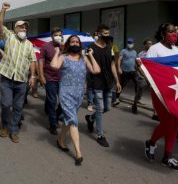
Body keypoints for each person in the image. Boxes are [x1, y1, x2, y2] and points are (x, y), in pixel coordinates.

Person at [51, 35, 100, 166]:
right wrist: (57, 53)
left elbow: (96, 70)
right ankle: (78, 153)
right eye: (72, 41)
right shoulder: (63, 57)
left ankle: (60, 139)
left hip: (78, 95)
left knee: (69, 119)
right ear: (68, 44)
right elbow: (54, 66)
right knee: (73, 120)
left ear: (80, 45)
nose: (75, 43)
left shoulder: (84, 59)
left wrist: (91, 56)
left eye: (77, 42)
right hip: (66, 93)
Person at [144, 23, 178, 171]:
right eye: (170, 31)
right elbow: (148, 71)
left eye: (175, 31)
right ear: (163, 33)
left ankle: (167, 156)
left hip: (177, 92)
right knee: (168, 123)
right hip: (160, 93)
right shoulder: (154, 49)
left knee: (175, 124)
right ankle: (151, 142)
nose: (173, 34)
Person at [0, 2, 37, 143]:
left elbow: (32, 60)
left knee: (19, 107)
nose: (23, 29)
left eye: (25, 27)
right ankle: (5, 126)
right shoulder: (9, 37)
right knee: (6, 104)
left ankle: (14, 130)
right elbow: (0, 24)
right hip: (7, 77)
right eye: (21, 26)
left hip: (21, 80)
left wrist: (32, 76)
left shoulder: (29, 45)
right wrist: (3, 10)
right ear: (15, 29)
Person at [85, 24, 121, 147]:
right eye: (105, 33)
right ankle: (100, 135)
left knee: (107, 108)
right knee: (100, 108)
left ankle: (90, 119)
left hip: (108, 82)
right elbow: (87, 66)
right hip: (96, 83)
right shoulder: (90, 48)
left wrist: (117, 81)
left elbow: (112, 65)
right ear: (98, 33)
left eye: (108, 33)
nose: (108, 35)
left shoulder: (109, 47)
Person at [39, 27, 63, 135]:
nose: (58, 36)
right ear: (52, 36)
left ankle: (56, 116)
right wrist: (41, 76)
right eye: (56, 34)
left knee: (63, 102)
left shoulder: (65, 47)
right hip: (50, 78)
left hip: (63, 79)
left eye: (59, 35)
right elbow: (41, 61)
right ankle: (53, 124)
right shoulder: (45, 46)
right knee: (53, 101)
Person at [131, 38, 153, 114]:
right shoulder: (141, 54)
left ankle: (155, 112)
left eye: (151, 43)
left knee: (154, 93)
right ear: (145, 45)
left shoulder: (153, 53)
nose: (150, 45)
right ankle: (134, 104)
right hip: (142, 75)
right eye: (148, 43)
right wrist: (140, 75)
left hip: (152, 76)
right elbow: (137, 66)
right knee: (139, 91)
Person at [115, 38, 138, 105]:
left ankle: (136, 99)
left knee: (137, 85)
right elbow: (119, 60)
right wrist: (119, 68)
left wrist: (138, 70)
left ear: (133, 44)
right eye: (128, 43)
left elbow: (136, 61)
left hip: (133, 71)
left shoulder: (135, 52)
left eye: (131, 43)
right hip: (125, 71)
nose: (130, 44)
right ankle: (117, 98)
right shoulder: (123, 51)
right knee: (121, 85)